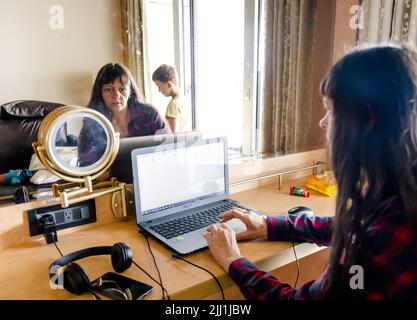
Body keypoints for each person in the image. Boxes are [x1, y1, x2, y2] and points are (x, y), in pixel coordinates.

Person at [204, 43, 417, 299]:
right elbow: (351, 225)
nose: (323, 123)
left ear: (367, 118)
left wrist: (232, 258)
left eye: (330, 110)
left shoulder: (390, 229)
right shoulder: (399, 186)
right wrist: (269, 225)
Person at [78, 63, 167, 167]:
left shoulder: (149, 114)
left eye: (122, 89)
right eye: (108, 89)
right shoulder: (93, 122)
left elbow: (167, 149)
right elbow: (87, 164)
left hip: (148, 174)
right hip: (110, 181)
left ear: (130, 92)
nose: (116, 95)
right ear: (100, 93)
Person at [152, 64, 187, 133]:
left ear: (169, 84)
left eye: (159, 87)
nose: (159, 90)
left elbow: (172, 135)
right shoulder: (183, 99)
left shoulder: (173, 105)